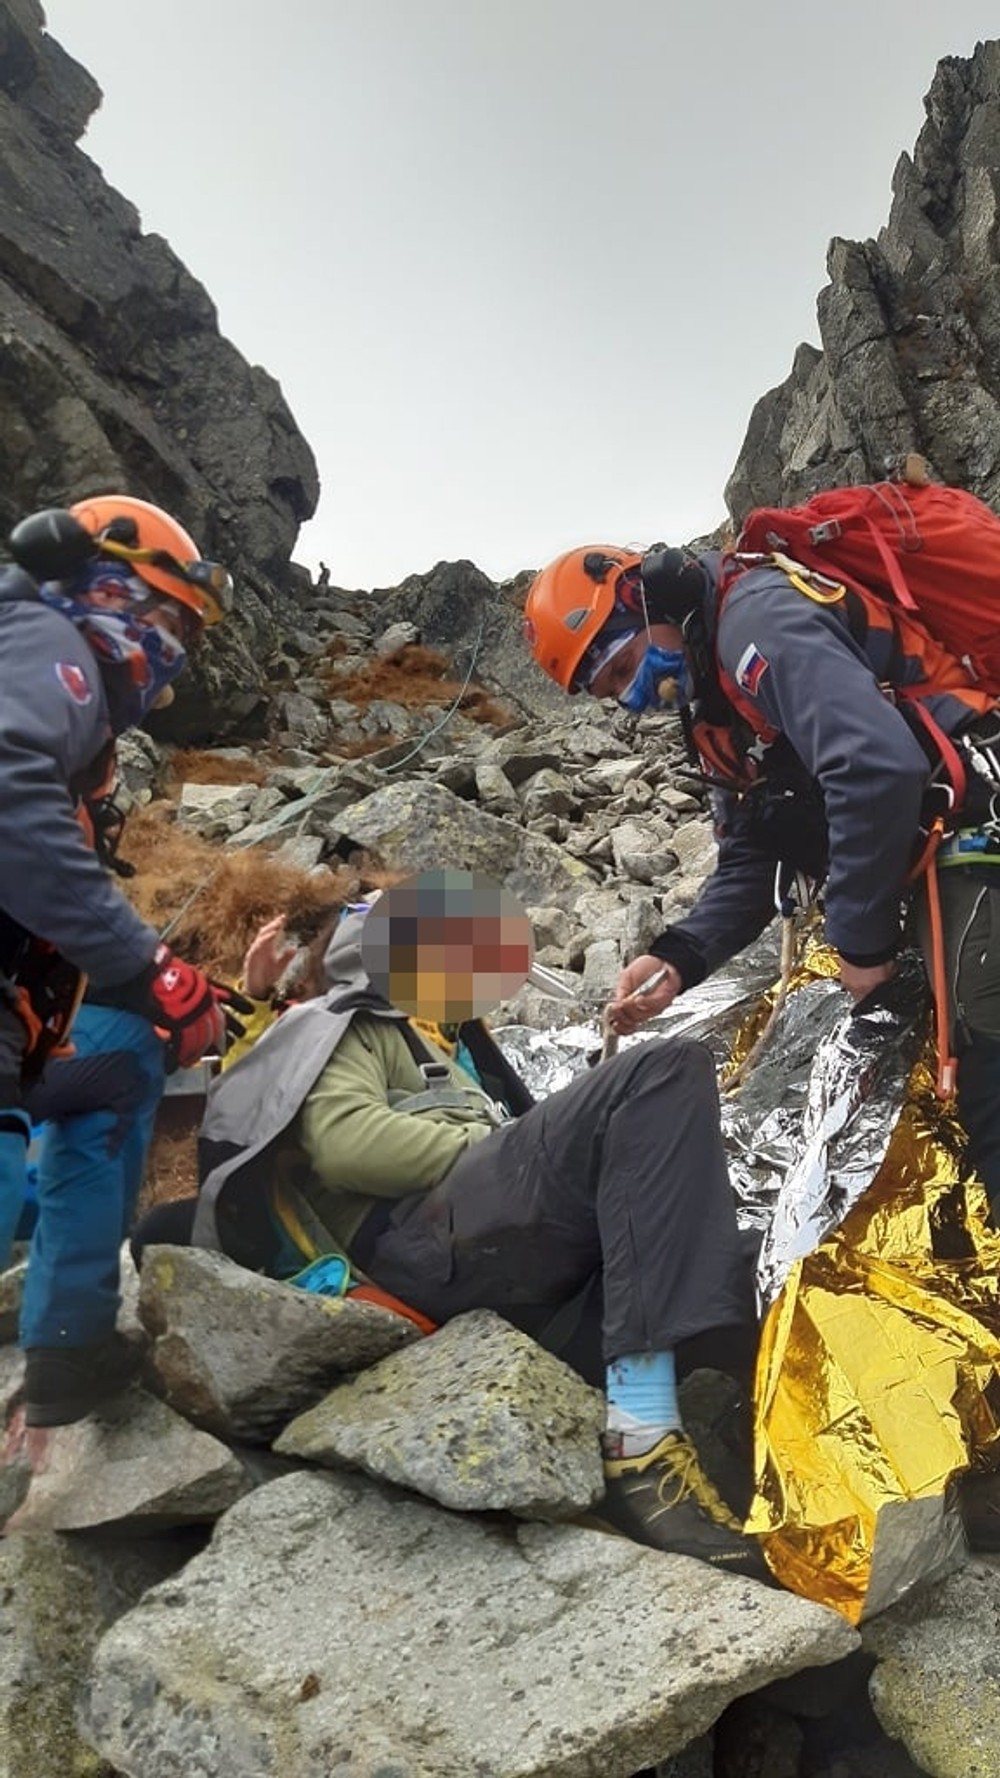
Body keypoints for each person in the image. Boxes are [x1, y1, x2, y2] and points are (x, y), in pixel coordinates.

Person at [174, 903, 766, 1577]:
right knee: (665, 1068)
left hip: (496, 1267)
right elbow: (346, 1144)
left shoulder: (452, 1047)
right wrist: (495, 1143)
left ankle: (788, 1479)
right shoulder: (347, 1024)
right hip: (416, 1246)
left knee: (748, 1264)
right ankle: (643, 1441)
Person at [522, 538, 1000, 1211]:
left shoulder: (755, 621)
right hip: (928, 835)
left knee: (989, 1060)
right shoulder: (712, 709)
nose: (640, 693)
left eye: (627, 664)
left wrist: (860, 943)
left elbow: (874, 765)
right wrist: (679, 957)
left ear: (646, 595)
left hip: (977, 810)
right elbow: (753, 849)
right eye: (615, 693)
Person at [0, 494, 242, 1427]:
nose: (174, 647)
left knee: (119, 1062)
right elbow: (11, 807)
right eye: (165, 615)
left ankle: (67, 1352)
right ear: (99, 586)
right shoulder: (40, 640)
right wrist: (153, 972)